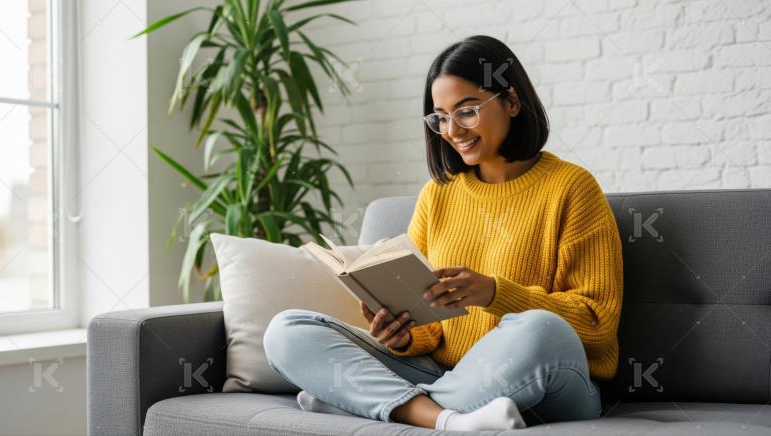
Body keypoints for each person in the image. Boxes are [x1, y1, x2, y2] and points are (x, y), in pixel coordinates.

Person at [263, 34, 623, 432]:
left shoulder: (572, 188)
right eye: (440, 117)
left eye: (466, 111)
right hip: (447, 376)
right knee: (288, 330)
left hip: (552, 385)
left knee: (542, 328)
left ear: (513, 102)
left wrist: (494, 293)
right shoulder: (438, 195)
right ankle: (449, 420)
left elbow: (597, 324)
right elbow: (431, 328)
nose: (452, 130)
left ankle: (373, 405)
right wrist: (399, 336)